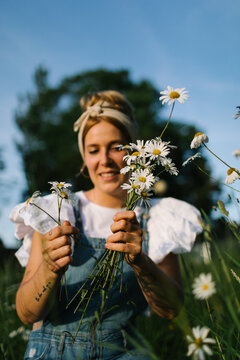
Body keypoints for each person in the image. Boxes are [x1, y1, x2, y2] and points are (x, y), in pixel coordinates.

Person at [10, 90, 202, 359]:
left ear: (135, 152)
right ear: (84, 158)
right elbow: (26, 312)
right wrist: (50, 268)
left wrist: (141, 262)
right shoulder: (55, 210)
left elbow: (170, 309)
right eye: (93, 150)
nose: (105, 160)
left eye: (116, 147)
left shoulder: (156, 218)